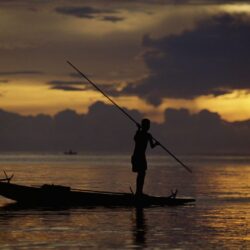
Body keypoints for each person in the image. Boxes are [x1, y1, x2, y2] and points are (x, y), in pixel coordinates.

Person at [131, 118, 159, 196]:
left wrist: (156, 144)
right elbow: (135, 139)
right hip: (137, 156)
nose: (148, 126)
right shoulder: (139, 133)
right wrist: (138, 129)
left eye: (148, 125)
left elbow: (152, 146)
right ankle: (138, 192)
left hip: (142, 156)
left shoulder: (148, 135)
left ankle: (139, 192)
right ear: (143, 126)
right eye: (146, 125)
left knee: (142, 174)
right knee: (141, 174)